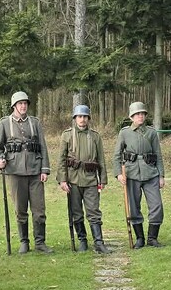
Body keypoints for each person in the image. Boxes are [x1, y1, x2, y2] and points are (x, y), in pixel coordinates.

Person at [0, 91, 52, 253]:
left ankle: (40, 242)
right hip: (15, 172)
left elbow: (43, 147)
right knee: (20, 210)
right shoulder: (4, 124)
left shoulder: (35, 123)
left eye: (25, 103)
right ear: (14, 106)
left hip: (35, 171)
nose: (23, 106)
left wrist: (45, 169)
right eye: (20, 103)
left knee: (39, 210)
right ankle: (24, 242)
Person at [58, 104, 110, 253]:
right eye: (80, 116)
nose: (82, 119)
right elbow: (61, 159)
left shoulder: (95, 136)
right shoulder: (67, 135)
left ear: (88, 118)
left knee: (94, 211)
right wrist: (62, 180)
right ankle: (82, 240)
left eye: (85, 117)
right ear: (75, 118)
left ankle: (99, 242)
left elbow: (101, 159)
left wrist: (103, 179)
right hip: (73, 180)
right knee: (76, 212)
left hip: (91, 180)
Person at [113, 101, 164, 248]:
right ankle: (140, 238)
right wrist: (118, 174)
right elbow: (117, 155)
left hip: (151, 173)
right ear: (131, 117)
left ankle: (152, 238)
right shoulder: (124, 133)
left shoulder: (151, 132)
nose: (140, 116)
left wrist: (161, 175)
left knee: (156, 205)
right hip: (131, 173)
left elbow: (158, 155)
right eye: (137, 114)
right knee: (134, 207)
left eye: (142, 114)